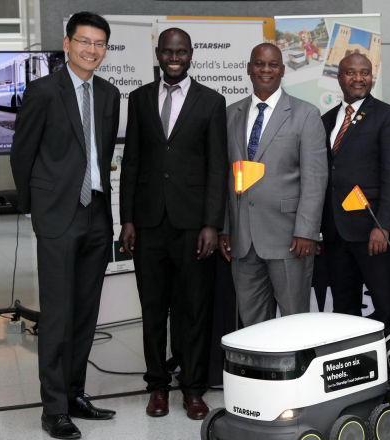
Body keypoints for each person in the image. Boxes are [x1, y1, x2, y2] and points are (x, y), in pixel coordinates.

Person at [10, 11, 120, 439]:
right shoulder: (43, 92)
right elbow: (22, 153)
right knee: (57, 315)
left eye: (99, 43)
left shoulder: (109, 94)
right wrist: (34, 210)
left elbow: (101, 153)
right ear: (67, 43)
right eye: (84, 41)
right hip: (58, 215)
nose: (92, 50)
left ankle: (75, 394)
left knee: (85, 313)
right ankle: (53, 408)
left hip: (97, 213)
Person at [119, 28, 227, 420]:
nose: (175, 57)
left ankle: (193, 389)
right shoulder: (139, 99)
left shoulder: (212, 101)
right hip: (148, 224)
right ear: (159, 53)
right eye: (168, 51)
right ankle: (158, 386)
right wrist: (127, 219)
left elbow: (217, 167)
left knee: (193, 309)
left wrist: (212, 223)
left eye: (181, 51)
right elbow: (132, 161)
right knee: (152, 310)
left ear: (191, 54)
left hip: (193, 226)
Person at [219, 43, 327, 326]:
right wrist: (226, 228)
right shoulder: (231, 114)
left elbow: (315, 179)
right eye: (259, 64)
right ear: (249, 68)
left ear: (282, 70)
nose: (265, 70)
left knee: (294, 323)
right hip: (242, 239)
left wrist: (307, 231)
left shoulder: (305, 114)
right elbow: (226, 176)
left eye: (272, 64)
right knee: (252, 324)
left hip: (289, 239)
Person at [321, 53, 390, 334]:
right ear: (339, 78)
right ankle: (355, 361)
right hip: (335, 234)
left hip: (373, 234)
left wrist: (383, 226)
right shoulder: (326, 119)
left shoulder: (388, 116)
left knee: (387, 308)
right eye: (351, 73)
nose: (358, 78)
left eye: (365, 73)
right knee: (344, 312)